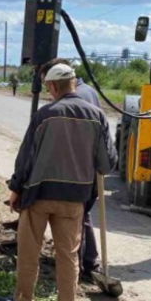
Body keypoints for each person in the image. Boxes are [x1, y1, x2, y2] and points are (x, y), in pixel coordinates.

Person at [8, 62, 116, 301]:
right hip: (74, 199)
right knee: (68, 256)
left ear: (53, 86)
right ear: (74, 83)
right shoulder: (97, 115)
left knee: (29, 252)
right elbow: (107, 164)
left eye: (48, 89)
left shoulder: (45, 115)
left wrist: (15, 188)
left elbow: (25, 157)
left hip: (39, 194)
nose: (48, 93)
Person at [41, 58, 108, 278]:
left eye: (48, 86)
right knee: (83, 216)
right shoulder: (89, 91)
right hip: (88, 172)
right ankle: (90, 262)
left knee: (75, 221)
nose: (49, 93)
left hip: (77, 172)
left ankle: (78, 268)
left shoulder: (74, 99)